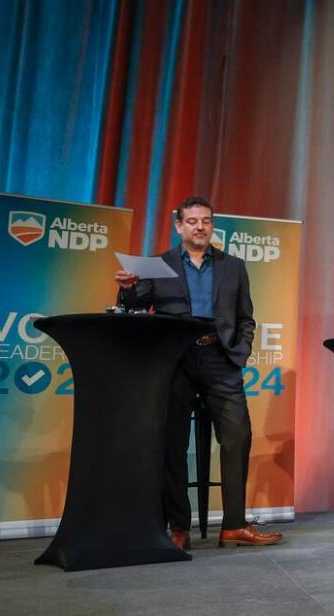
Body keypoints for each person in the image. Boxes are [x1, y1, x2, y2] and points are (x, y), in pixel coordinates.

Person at [115, 196, 282, 549]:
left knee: (238, 437)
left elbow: (245, 317)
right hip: (174, 361)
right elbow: (133, 305)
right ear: (179, 226)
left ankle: (234, 525)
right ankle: (178, 528)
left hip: (220, 359)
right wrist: (128, 287)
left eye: (205, 220)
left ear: (212, 225)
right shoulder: (158, 264)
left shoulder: (233, 266)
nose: (200, 227)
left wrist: (240, 351)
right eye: (192, 221)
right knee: (172, 443)